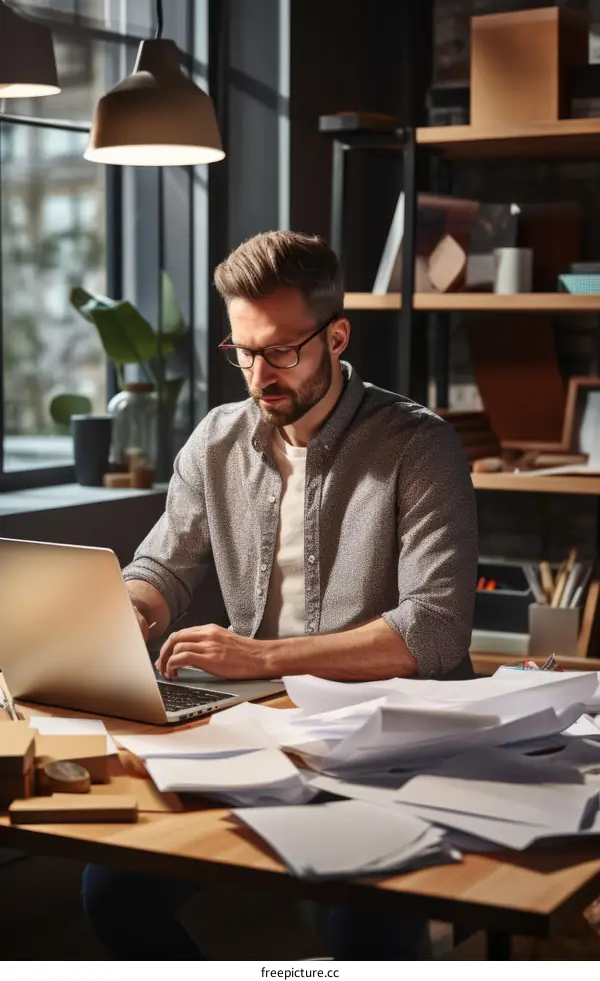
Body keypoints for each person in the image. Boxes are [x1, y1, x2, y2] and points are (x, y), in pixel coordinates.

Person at [82, 230, 478, 960]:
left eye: (280, 352)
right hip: (259, 733)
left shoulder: (418, 445)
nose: (259, 374)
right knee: (112, 889)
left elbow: (435, 629)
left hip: (388, 744)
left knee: (364, 925)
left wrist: (260, 654)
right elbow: (163, 566)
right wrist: (129, 608)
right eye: (243, 351)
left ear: (337, 335)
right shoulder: (216, 441)